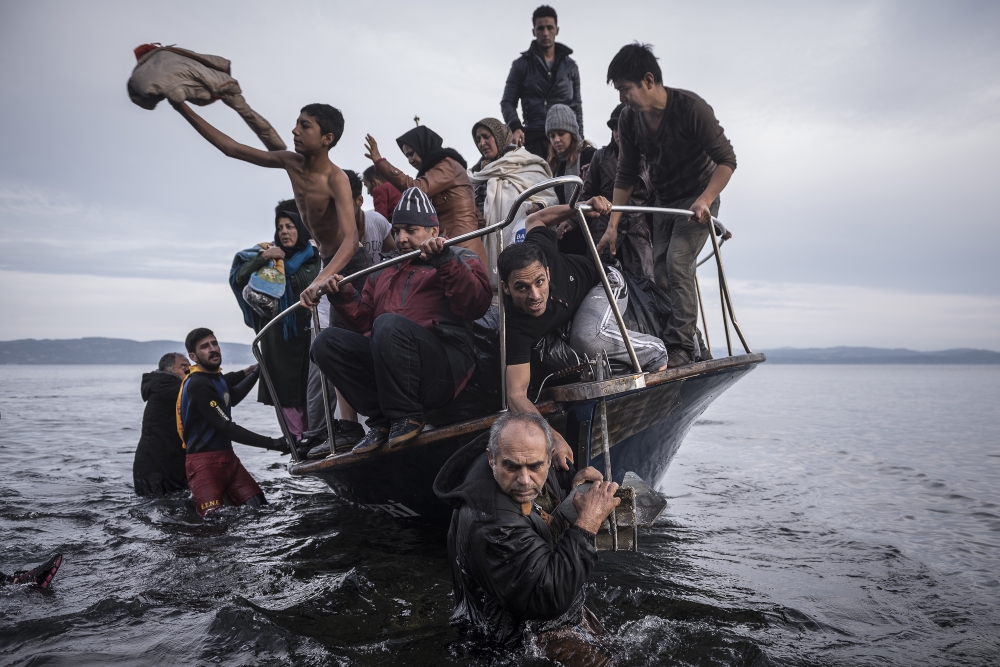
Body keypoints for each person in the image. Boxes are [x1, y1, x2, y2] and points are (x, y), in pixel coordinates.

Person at [311, 188, 492, 454]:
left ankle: (407, 417)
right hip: (391, 366)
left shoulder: (461, 257)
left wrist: (444, 260)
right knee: (325, 342)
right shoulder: (383, 270)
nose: (401, 238)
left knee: (387, 324)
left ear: (434, 230)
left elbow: (476, 304)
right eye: (396, 231)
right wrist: (343, 295)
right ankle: (381, 422)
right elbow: (364, 324)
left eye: (410, 230)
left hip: (442, 369)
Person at [498, 197, 668, 470]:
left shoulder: (540, 251)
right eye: (521, 288)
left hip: (603, 282)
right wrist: (551, 438)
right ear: (506, 289)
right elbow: (516, 394)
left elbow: (535, 220)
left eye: (540, 282)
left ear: (548, 272)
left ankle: (655, 350)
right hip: (572, 313)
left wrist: (581, 206)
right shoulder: (516, 324)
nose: (534, 295)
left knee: (586, 339)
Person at [433, 412, 618, 665]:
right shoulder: (493, 524)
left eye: (535, 466)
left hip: (547, 614)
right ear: (491, 457)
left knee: (613, 651)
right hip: (520, 638)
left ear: (549, 456)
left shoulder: (517, 461)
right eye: (511, 466)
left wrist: (571, 487)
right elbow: (546, 598)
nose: (524, 479)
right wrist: (588, 521)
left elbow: (542, 502)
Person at [598, 43, 737, 368]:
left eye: (624, 89)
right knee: (660, 274)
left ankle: (680, 350)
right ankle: (691, 343)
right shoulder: (630, 121)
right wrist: (613, 226)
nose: (622, 98)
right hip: (664, 202)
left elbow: (726, 161)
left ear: (648, 80)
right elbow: (626, 175)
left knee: (677, 263)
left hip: (698, 199)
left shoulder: (690, 108)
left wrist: (705, 198)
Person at [170, 100, 360, 312]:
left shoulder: (336, 179)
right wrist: (181, 107)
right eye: (296, 124)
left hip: (348, 264)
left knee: (354, 333)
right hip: (326, 265)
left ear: (327, 138)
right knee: (332, 339)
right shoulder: (291, 163)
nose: (295, 131)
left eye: (305, 126)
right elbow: (231, 148)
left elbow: (351, 241)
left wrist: (319, 280)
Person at [230, 200, 320, 441]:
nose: (284, 232)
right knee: (285, 392)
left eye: (290, 226)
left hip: (308, 336)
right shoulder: (267, 256)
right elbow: (238, 278)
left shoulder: (314, 259)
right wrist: (263, 257)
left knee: (311, 389)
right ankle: (298, 441)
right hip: (277, 339)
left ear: (300, 229)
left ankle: (318, 437)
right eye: (280, 227)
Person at [179, 328, 290, 516]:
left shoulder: (215, 379)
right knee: (213, 522)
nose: (213, 349)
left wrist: (257, 372)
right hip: (204, 465)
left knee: (261, 510)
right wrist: (276, 443)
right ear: (193, 356)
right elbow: (226, 427)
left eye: (214, 343)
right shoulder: (198, 384)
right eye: (205, 347)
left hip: (229, 460)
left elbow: (233, 396)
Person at [364, 126, 488, 266]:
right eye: (407, 156)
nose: (410, 160)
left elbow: (417, 188)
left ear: (423, 146)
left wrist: (380, 163)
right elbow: (479, 219)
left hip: (461, 248)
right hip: (451, 246)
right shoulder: (440, 169)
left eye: (411, 154)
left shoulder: (446, 165)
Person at [467, 117, 556, 290]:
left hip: (521, 242)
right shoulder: (478, 173)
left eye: (486, 136)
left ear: (499, 136)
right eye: (478, 139)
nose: (482, 143)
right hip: (485, 242)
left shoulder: (526, 162)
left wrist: (539, 205)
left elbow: (549, 196)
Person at [501, 5, 583, 159]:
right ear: (534, 31)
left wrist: (580, 139)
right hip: (534, 137)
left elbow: (576, 107)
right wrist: (515, 127)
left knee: (568, 181)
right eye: (540, 28)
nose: (545, 33)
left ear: (557, 30)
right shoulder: (521, 65)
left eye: (550, 28)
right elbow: (507, 102)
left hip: (565, 139)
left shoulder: (571, 67)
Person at [582, 103, 654, 277]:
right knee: (599, 282)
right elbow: (586, 194)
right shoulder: (600, 156)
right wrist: (571, 221)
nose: (618, 134)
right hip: (603, 231)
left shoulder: (653, 160)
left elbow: (658, 201)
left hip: (638, 234)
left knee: (644, 289)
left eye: (622, 128)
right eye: (615, 129)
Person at [133, 352, 190, 496]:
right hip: (155, 466)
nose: (189, 370)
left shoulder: (169, 385)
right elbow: (204, 390)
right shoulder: (166, 386)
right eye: (183, 367)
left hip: (166, 461)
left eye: (189, 366)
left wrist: (248, 373)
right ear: (167, 370)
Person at [543, 104, 597, 256]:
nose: (557, 140)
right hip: (564, 238)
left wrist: (574, 221)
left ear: (572, 132)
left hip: (589, 234)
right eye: (552, 136)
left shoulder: (590, 156)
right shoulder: (553, 166)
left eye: (561, 133)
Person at [345, 169, 396, 265]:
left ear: (359, 201)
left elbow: (395, 257)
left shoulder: (378, 221)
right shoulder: (331, 231)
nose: (336, 208)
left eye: (342, 202)